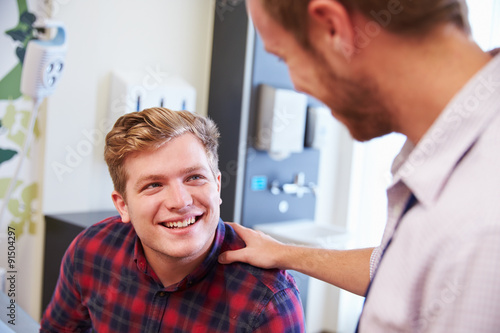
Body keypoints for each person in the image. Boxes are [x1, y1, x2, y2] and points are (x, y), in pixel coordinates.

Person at [218, 0, 500, 331]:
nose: (297, 85)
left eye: (284, 57)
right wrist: (283, 254)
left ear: (332, 28)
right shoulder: (448, 154)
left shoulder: (481, 227)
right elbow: (399, 270)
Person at [40, 107, 305, 332]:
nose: (180, 201)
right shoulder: (91, 252)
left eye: (194, 177)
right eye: (153, 185)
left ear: (217, 186)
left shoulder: (268, 301)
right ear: (123, 206)